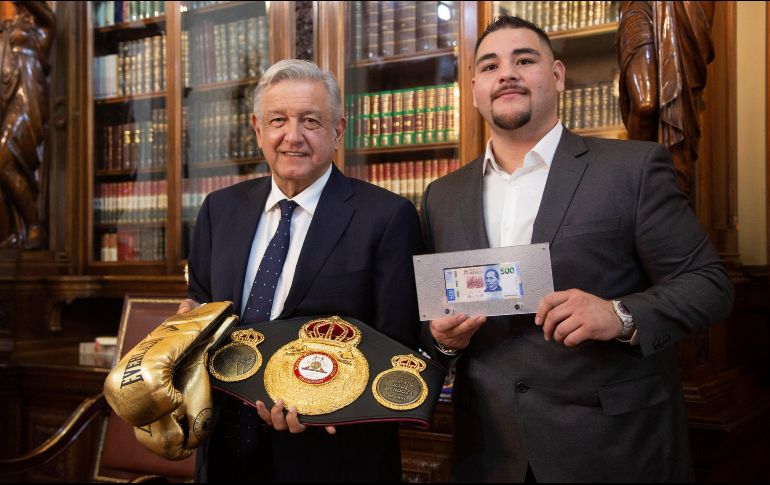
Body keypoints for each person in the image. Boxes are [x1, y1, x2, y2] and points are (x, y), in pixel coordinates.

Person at [421, 16, 733, 482]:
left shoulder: (632, 169)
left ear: (558, 76)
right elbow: (430, 323)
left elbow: (710, 285)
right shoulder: (441, 196)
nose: (506, 73)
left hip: (613, 449)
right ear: (473, 89)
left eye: (524, 60)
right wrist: (442, 341)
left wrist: (620, 314)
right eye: (489, 66)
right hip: (488, 453)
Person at [180, 59, 422, 482]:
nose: (293, 136)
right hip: (223, 454)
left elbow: (396, 346)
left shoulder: (387, 217)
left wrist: (323, 403)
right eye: (278, 120)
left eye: (311, 121)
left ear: (338, 130)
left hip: (332, 459)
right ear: (258, 128)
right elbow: (200, 306)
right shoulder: (219, 210)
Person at [616, 1, 715, 195]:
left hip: (685, 10)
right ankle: (634, 193)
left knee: (680, 146)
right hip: (639, 6)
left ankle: (671, 201)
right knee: (645, 105)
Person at [0, 1, 55, 249]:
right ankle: (18, 230)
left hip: (29, 97)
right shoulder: (10, 25)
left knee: (4, 161)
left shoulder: (43, 26)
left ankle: (35, 227)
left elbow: (44, 13)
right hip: (8, 96)